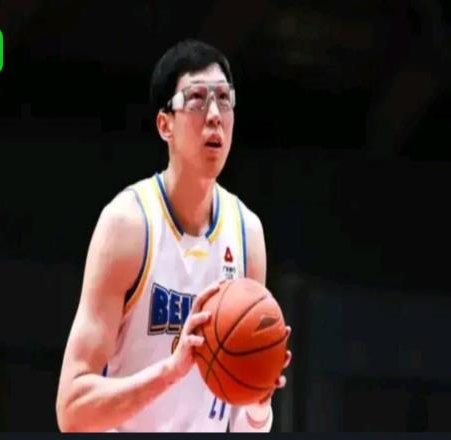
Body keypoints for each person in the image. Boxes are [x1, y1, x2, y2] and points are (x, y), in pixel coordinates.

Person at [55, 39, 292, 432]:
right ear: (165, 124)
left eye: (224, 99)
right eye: (197, 99)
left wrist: (257, 401)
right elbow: (72, 409)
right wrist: (171, 371)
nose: (214, 115)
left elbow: (243, 425)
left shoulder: (247, 232)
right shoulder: (128, 225)